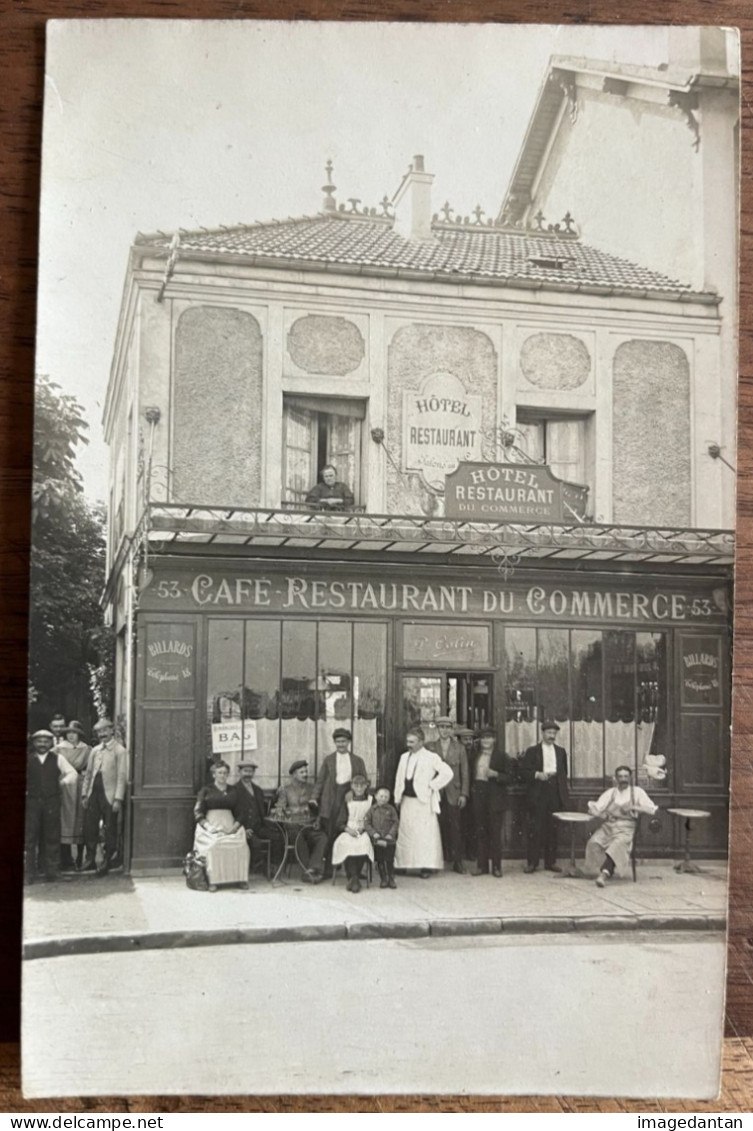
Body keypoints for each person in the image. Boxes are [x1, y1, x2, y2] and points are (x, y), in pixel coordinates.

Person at [394, 726, 453, 878]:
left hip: (423, 801)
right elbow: (399, 779)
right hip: (407, 800)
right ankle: (403, 864)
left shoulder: (431, 757)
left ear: (421, 742)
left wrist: (432, 786)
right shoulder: (403, 757)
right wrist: (397, 797)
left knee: (425, 835)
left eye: (412, 742)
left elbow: (447, 773)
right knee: (406, 833)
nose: (409, 744)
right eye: (408, 741)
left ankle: (426, 867)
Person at [585, 765, 660, 887]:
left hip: (626, 827)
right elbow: (593, 808)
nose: (623, 779)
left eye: (626, 776)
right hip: (608, 826)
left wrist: (633, 807)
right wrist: (601, 815)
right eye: (620, 776)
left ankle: (604, 874)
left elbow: (652, 809)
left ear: (631, 778)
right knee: (593, 842)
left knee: (617, 845)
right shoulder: (610, 793)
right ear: (615, 778)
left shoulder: (637, 792)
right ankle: (604, 869)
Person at [25, 730, 77, 884]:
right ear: (34, 743)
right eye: (39, 741)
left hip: (52, 802)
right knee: (30, 838)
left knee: (52, 836)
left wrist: (62, 782)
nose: (42, 744)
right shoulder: (28, 759)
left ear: (51, 743)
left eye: (46, 741)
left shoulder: (58, 758)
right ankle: (29, 873)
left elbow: (72, 774)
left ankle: (52, 872)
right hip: (32, 802)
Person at [519, 721, 570, 874]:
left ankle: (550, 862)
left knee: (552, 828)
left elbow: (564, 772)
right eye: (549, 733)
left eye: (554, 733)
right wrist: (537, 774)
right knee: (535, 828)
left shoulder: (561, 752)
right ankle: (532, 863)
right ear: (542, 733)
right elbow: (524, 771)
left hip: (555, 791)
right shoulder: (532, 751)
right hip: (538, 791)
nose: (551, 736)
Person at [192, 760, 250, 891]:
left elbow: (242, 812)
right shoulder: (206, 790)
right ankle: (214, 881)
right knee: (214, 845)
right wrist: (208, 827)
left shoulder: (234, 790)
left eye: (225, 773)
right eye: (219, 773)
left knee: (241, 844)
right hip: (211, 826)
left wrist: (234, 828)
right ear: (214, 774)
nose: (223, 775)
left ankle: (240, 878)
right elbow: (198, 812)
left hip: (230, 825)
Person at [81, 718, 128, 876]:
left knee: (110, 828)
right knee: (90, 826)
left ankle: (106, 860)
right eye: (99, 732)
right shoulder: (95, 750)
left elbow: (122, 776)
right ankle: (90, 858)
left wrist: (118, 799)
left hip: (109, 795)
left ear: (111, 731)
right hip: (94, 793)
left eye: (104, 730)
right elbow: (88, 774)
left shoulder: (119, 751)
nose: (102, 734)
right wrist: (85, 794)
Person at [311, 727, 368, 852]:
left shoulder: (357, 761)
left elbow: (363, 780)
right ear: (334, 742)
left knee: (345, 827)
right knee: (330, 829)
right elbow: (320, 780)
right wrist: (314, 797)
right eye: (338, 741)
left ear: (348, 742)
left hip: (349, 797)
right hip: (331, 796)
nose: (341, 744)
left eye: (343, 741)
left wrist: (353, 792)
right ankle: (329, 864)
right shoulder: (329, 760)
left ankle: (346, 861)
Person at [271, 760, 329, 883]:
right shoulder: (285, 790)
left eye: (306, 771)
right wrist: (280, 811)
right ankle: (309, 871)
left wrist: (318, 820)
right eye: (301, 772)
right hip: (292, 826)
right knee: (298, 838)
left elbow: (318, 809)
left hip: (308, 825)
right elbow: (280, 807)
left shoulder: (312, 789)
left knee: (322, 837)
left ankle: (311, 869)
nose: (305, 774)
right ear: (294, 775)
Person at [426, 716, 469, 874]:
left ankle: (458, 862)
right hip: (435, 793)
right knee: (434, 827)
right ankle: (434, 862)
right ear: (437, 729)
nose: (444, 730)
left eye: (447, 727)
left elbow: (464, 772)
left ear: (452, 730)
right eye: (441, 727)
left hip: (453, 792)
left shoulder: (459, 748)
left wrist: (464, 794)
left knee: (455, 828)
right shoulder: (430, 747)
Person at [470, 727, 515, 878]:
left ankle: (496, 867)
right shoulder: (475, 755)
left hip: (495, 797)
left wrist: (496, 774)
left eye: (489, 738)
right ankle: (482, 866)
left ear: (494, 740)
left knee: (495, 833)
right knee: (480, 832)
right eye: (483, 738)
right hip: (479, 795)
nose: (486, 741)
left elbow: (510, 777)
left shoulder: (502, 756)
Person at [232, 760, 285, 875]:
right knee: (256, 843)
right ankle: (255, 867)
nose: (248, 774)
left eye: (251, 771)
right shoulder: (234, 790)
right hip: (243, 828)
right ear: (239, 772)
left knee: (277, 837)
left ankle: (271, 867)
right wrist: (242, 829)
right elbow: (232, 813)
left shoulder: (258, 790)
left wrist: (276, 796)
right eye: (245, 771)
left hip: (259, 826)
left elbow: (263, 807)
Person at [331, 774, 374, 893]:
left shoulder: (371, 799)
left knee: (363, 843)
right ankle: (354, 878)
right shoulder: (347, 799)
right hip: (348, 829)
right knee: (347, 843)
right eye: (356, 785)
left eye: (362, 785)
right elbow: (340, 821)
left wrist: (364, 828)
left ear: (366, 786)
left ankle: (354, 877)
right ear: (351, 786)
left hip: (363, 829)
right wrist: (348, 829)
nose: (359, 788)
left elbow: (373, 818)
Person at [58, 720, 91, 871]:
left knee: (81, 819)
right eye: (69, 733)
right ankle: (65, 858)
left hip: (81, 786)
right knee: (65, 819)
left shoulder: (87, 749)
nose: (71, 736)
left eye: (75, 733)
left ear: (79, 735)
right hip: (65, 786)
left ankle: (80, 857)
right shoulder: (58, 749)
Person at [364, 784, 399, 889]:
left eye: (386, 797)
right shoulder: (372, 810)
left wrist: (390, 834)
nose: (383, 799)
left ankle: (391, 878)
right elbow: (367, 823)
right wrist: (373, 833)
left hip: (389, 840)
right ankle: (383, 878)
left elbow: (395, 823)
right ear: (376, 796)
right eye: (381, 796)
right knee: (380, 859)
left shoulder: (391, 810)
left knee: (389, 859)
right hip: (377, 839)